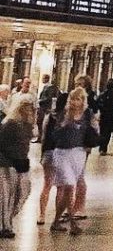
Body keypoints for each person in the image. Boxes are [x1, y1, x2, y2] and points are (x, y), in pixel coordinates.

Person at [42, 87, 92, 235]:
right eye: (73, 98)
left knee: (68, 188)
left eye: (78, 99)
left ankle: (56, 220)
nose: (75, 102)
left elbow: (91, 132)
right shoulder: (63, 114)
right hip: (62, 153)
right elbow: (54, 134)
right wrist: (64, 127)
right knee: (69, 186)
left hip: (78, 154)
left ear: (83, 101)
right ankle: (72, 222)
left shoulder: (87, 114)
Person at [0, 97, 34, 237]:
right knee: (6, 195)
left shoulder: (27, 124)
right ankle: (5, 226)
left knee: (23, 191)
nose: (29, 110)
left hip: (21, 161)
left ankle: (8, 220)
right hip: (6, 162)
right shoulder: (10, 123)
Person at [96, 79, 113, 155]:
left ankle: (101, 147)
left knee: (102, 131)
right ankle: (104, 148)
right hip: (112, 114)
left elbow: (97, 102)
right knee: (108, 132)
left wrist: (101, 108)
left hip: (104, 114)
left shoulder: (102, 94)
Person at [35, 75, 59, 142]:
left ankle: (42, 137)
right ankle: (39, 137)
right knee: (39, 122)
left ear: (46, 79)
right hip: (41, 107)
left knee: (42, 122)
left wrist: (40, 101)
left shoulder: (50, 87)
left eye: (43, 78)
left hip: (45, 107)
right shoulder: (45, 86)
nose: (42, 80)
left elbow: (49, 98)